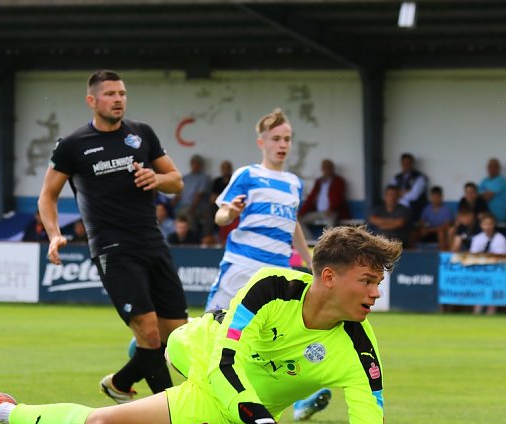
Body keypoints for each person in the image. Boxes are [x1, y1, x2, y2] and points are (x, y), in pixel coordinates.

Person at [0, 225, 401, 424]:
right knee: (180, 341)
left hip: (225, 404)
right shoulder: (270, 286)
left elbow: (368, 420)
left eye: (377, 283)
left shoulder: (360, 349)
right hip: (199, 349)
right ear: (327, 276)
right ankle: (127, 376)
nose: (374, 294)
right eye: (366, 280)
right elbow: (223, 361)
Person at [37, 69, 188, 403]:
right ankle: (174, 408)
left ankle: (119, 384)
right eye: (110, 94)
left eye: (122, 93)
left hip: (153, 243)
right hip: (113, 249)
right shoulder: (73, 145)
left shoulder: (142, 134)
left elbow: (177, 180)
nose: (118, 99)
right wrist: (54, 235)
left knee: (176, 338)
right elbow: (47, 196)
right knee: (149, 334)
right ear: (92, 101)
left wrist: (157, 179)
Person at [207, 108, 313, 313]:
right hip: (243, 263)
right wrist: (230, 214)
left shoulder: (294, 183)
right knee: (214, 323)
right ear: (261, 143)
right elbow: (220, 217)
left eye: (287, 139)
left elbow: (293, 223)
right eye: (276, 139)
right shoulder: (247, 174)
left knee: (268, 334)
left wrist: (309, 261)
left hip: (279, 270)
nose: (282, 144)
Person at [298, 158, 351, 240]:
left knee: (331, 223)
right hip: (318, 212)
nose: (326, 169)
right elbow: (310, 199)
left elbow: (339, 198)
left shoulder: (338, 181)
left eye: (329, 167)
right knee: (298, 220)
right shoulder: (319, 181)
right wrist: (301, 213)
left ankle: (325, 243)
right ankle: (310, 242)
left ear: (333, 169)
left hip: (332, 212)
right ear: (322, 169)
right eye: (324, 167)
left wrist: (331, 209)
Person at [469, 212, 506, 315]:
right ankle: (477, 312)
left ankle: (491, 312)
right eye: (485, 224)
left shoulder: (500, 239)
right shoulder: (477, 239)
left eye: (490, 224)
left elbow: (502, 259)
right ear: (481, 225)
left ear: (493, 224)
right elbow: (473, 256)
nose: (487, 227)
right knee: (478, 292)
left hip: (496, 272)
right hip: (480, 273)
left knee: (493, 292)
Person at [391, 152, 428, 223]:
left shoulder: (420, 178)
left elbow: (414, 196)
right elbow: (390, 192)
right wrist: (406, 191)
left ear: (412, 163)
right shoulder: (397, 178)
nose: (406, 165)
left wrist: (398, 193)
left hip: (414, 210)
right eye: (404, 163)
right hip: (397, 209)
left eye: (408, 163)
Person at [416, 186, 453, 251]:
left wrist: (430, 230)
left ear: (441, 197)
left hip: (439, 233)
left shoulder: (446, 209)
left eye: (437, 197)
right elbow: (422, 221)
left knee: (441, 233)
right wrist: (423, 227)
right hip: (428, 232)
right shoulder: (427, 208)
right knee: (414, 233)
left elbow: (446, 225)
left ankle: (442, 256)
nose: (435, 199)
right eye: (433, 196)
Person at [478, 158, 506, 223]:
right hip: (484, 214)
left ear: (499, 168)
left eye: (495, 166)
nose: (492, 168)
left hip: (496, 216)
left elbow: (485, 197)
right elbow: (475, 195)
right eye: (490, 166)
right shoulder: (485, 180)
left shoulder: (500, 181)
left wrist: (481, 194)